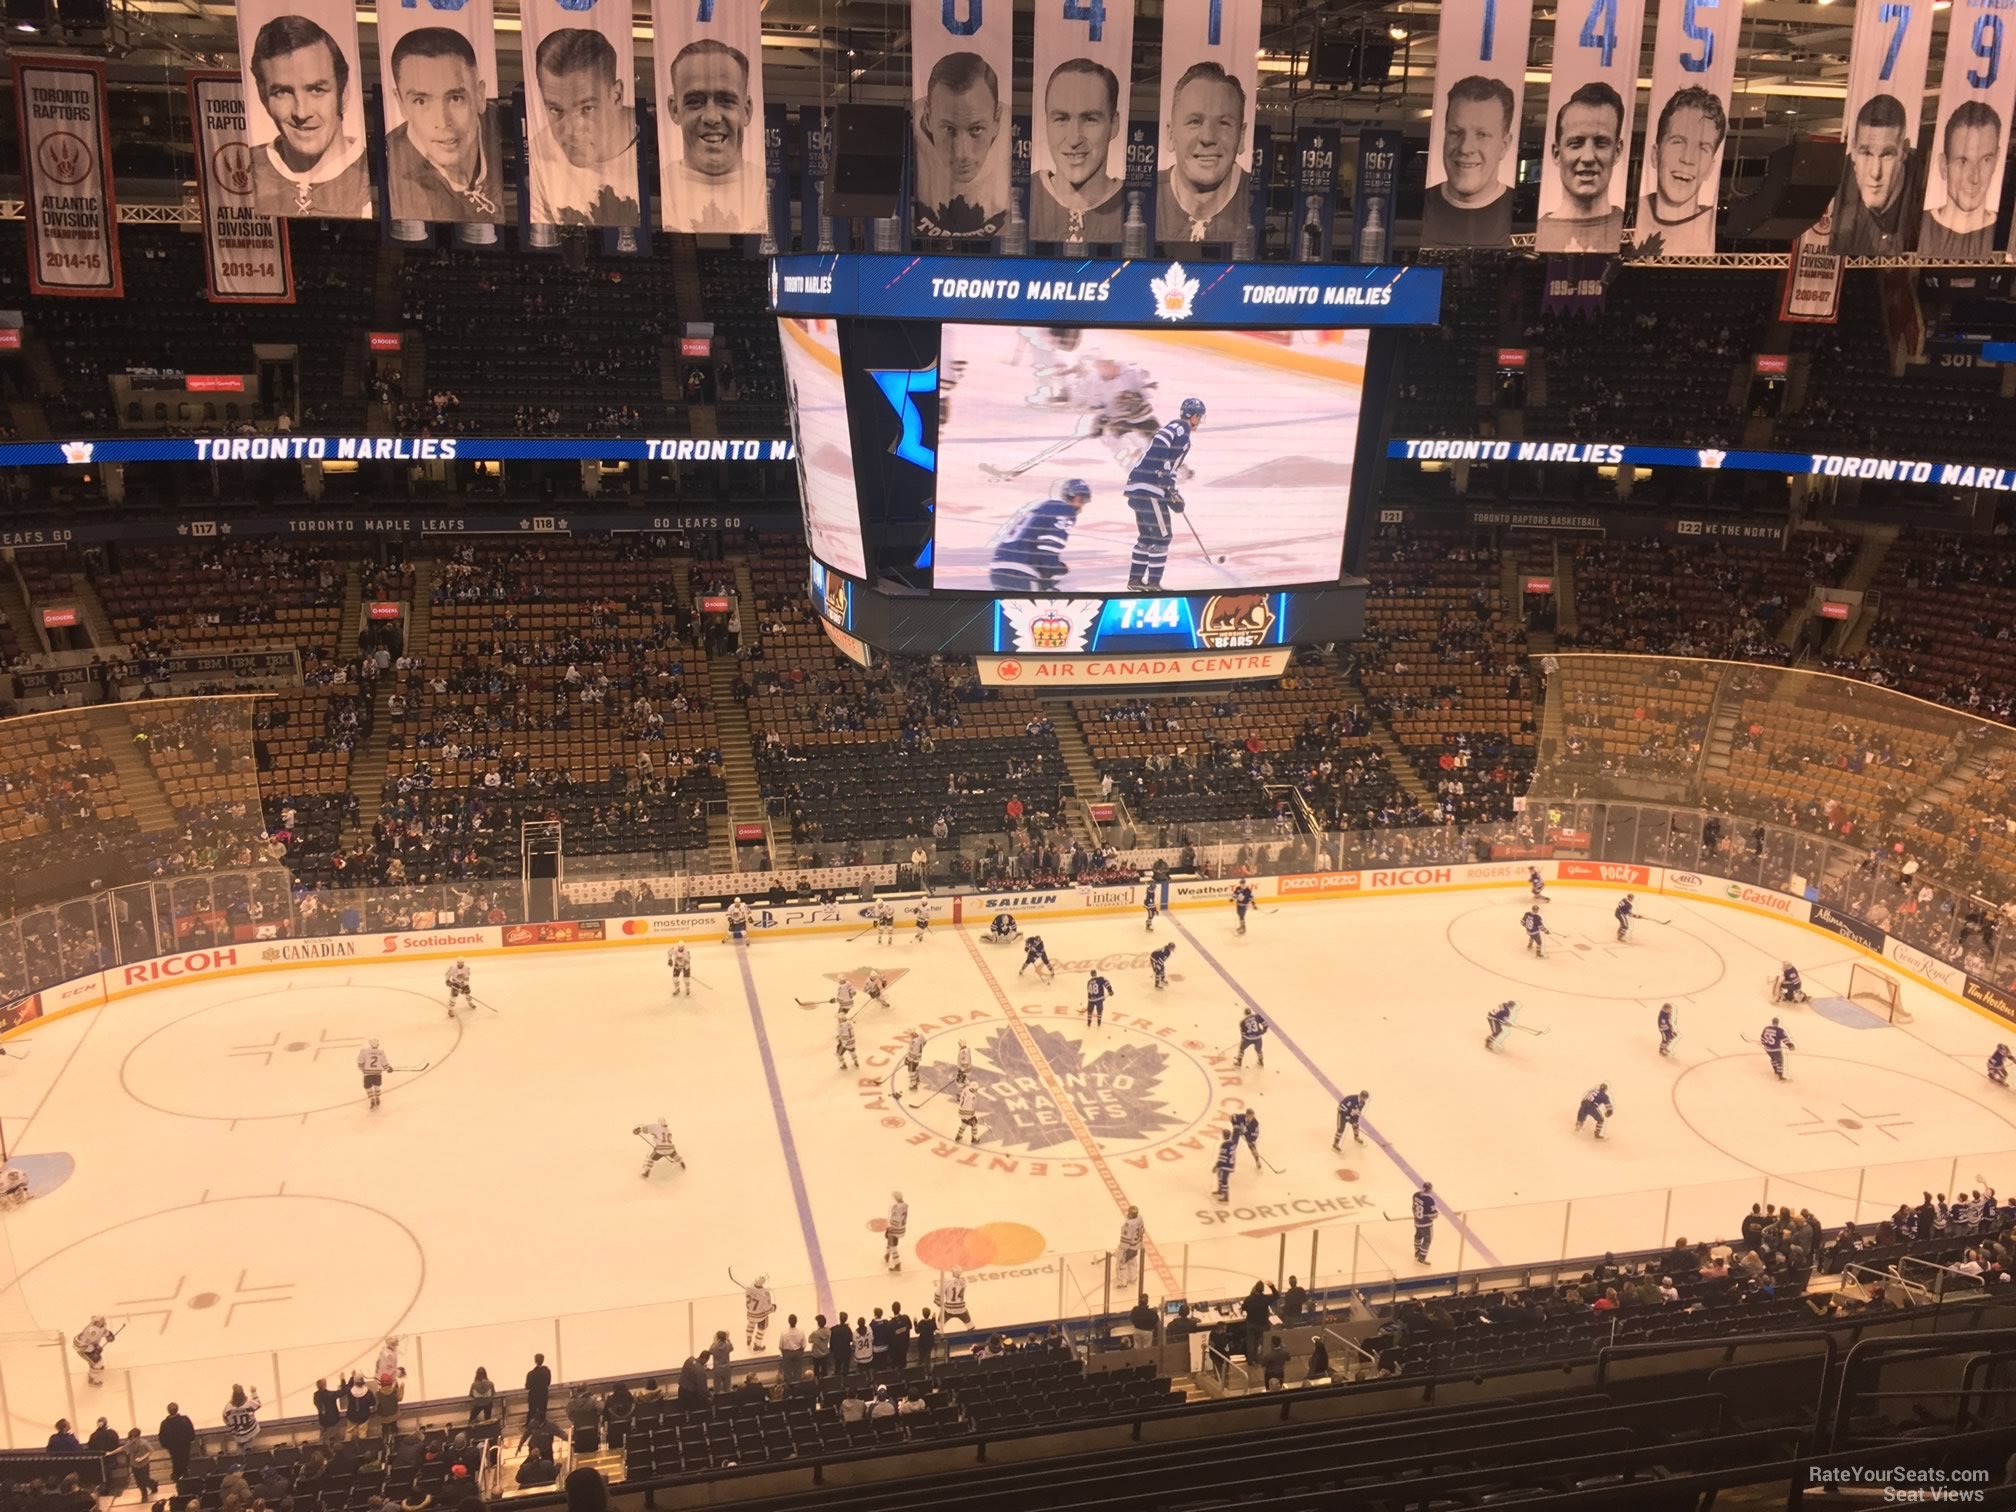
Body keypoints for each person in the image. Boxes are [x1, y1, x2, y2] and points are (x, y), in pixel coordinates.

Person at [248, 15, 370, 216]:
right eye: (282, 92)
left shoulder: (376, 174)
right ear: (263, 96)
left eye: (316, 90)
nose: (301, 112)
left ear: (344, 92)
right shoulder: (245, 167)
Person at [384, 27, 504, 222]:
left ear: (480, 95)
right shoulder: (391, 167)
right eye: (421, 101)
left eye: (455, 98)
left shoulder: (504, 128)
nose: (442, 121)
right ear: (401, 104)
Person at [529, 27, 640, 227]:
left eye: (587, 108)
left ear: (616, 96)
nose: (572, 130)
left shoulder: (657, 144)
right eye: (555, 109)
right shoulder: (541, 149)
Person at [663, 38, 765, 232]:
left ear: (747, 110)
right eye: (695, 101)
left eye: (726, 101)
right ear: (674, 109)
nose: (712, 117)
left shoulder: (766, 189)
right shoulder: (662, 187)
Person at [914, 52, 1007, 238]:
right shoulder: (916, 137)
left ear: (997, 120)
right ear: (928, 116)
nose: (961, 153)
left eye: (976, 130)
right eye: (949, 130)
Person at [1031, 59, 1124, 243]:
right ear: (1046, 123)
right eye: (1061, 119)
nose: (1074, 139)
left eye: (1090, 119)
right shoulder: (1019, 197)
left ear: (1114, 124)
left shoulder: (1139, 206)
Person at [1156, 62, 1251, 244]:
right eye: (1194, 122)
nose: (1207, 138)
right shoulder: (1143, 197)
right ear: (1170, 133)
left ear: (1241, 136)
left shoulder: (1257, 199)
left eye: (1223, 123)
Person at [1421, 75, 1516, 248]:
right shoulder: (1419, 205)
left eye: (1482, 135)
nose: (1465, 148)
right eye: (1455, 133)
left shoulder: (1522, 212)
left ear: (1504, 145)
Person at [1632, 86, 1727, 256]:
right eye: (1678, 142)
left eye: (1702, 148)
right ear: (1655, 154)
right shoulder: (1631, 213)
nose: (1687, 159)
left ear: (1710, 168)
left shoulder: (1712, 226)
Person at [1125, 399, 1206, 590]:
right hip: (1149, 488)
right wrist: (1166, 483)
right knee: (1162, 537)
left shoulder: (1177, 429)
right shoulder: (1180, 428)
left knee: (1147, 537)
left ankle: (1135, 581)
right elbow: (1163, 448)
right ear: (1193, 416)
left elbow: (1166, 457)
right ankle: (1153, 583)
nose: (1199, 421)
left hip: (1138, 487)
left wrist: (1172, 491)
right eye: (1199, 417)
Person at [1537, 82, 1626, 253]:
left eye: (1601, 143)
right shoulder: (1537, 233)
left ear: (1618, 151)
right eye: (1576, 143)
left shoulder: (1633, 231)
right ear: (1556, 153)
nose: (1588, 157)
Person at [1831, 92, 1920, 255]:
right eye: (1866, 153)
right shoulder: (1836, 183)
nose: (1875, 172)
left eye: (1887, 155)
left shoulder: (1923, 186)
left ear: (1904, 151)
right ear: (1854, 151)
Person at [1921, 101, 2001, 259]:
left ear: (1997, 161)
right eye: (1963, 162)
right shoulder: (1918, 227)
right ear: (1944, 166)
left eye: (1986, 160)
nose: (1975, 177)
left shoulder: (2005, 231)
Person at [988, 481, 1092, 591]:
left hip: (997, 570)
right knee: (1058, 573)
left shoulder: (1043, 507)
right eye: (1083, 500)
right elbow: (1049, 548)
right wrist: (1048, 584)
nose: (1081, 508)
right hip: (1020, 571)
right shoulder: (1065, 510)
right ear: (1076, 497)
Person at [158, 1403, 196, 1480]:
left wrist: (166, 1446)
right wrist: (191, 1440)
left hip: (173, 1449)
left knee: (175, 1463)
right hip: (185, 1446)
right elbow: (191, 1431)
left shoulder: (165, 1423)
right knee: (185, 1462)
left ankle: (178, 1479)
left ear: (168, 1411)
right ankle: (186, 1478)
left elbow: (162, 1437)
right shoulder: (185, 1419)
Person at [122, 1428, 157, 1502]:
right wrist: (111, 1452)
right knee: (138, 1481)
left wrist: (142, 1458)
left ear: (137, 1437)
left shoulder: (144, 1443)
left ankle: (153, 1484)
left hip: (144, 1465)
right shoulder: (130, 1443)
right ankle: (144, 1493)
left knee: (145, 1479)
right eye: (131, 1438)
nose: (132, 1439)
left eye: (133, 1437)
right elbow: (122, 1448)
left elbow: (151, 1450)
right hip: (134, 1465)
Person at [223, 1383, 262, 1450]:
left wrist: (233, 1428)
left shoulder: (228, 1407)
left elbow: (225, 1418)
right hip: (251, 1433)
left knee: (240, 1452)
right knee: (251, 1453)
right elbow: (258, 1404)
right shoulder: (248, 1403)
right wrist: (254, 1392)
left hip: (238, 1436)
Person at [358, 1037, 391, 1111]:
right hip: (377, 1073)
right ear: (378, 1044)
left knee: (367, 1087)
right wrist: (388, 1068)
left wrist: (361, 1067)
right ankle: (377, 1097)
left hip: (367, 1073)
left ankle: (372, 1099)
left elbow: (360, 1060)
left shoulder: (364, 1051)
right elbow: (384, 1062)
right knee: (377, 1086)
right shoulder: (381, 1052)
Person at [777, 1316, 807, 1382]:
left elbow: (780, 1346)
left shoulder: (784, 1333)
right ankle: (797, 1385)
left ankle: (789, 1386)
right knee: (798, 1371)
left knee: (787, 1372)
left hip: (787, 1353)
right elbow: (804, 1345)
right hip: (798, 1352)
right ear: (796, 1321)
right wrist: (800, 1352)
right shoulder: (801, 1331)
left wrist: (784, 1353)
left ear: (788, 1322)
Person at [525, 1352, 553, 1424]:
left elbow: (527, 1386)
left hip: (533, 1395)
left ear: (535, 1361)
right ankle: (542, 1425)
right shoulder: (547, 1371)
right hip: (543, 1394)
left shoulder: (530, 1374)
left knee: (532, 1411)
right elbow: (548, 1383)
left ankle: (530, 1426)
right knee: (543, 1410)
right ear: (543, 1360)